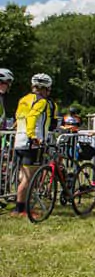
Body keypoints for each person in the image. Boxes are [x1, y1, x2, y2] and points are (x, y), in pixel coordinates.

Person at [12, 74, 57, 217]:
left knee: (22, 177)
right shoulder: (42, 102)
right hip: (31, 143)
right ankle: (21, 209)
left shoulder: (23, 99)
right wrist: (33, 136)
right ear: (46, 89)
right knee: (28, 178)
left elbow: (18, 118)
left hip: (18, 141)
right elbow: (32, 117)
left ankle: (20, 207)